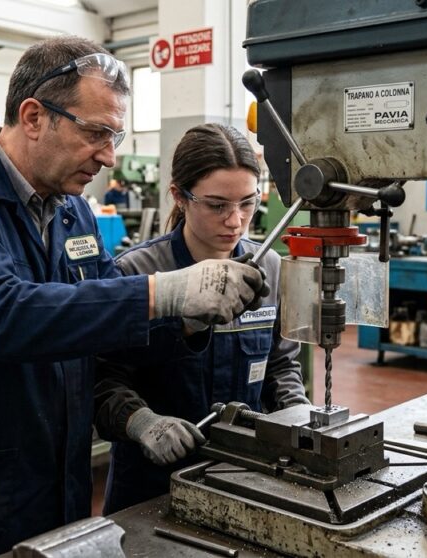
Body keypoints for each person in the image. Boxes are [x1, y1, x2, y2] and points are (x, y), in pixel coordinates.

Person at [0, 37, 268, 557]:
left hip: (56, 481)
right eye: (96, 133)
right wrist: (166, 291)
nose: (109, 156)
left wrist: (189, 321)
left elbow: (104, 335)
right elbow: (4, 315)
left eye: (115, 136)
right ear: (34, 116)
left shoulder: (72, 211)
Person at [94, 123, 310, 514]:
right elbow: (102, 380)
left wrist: (298, 414)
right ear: (180, 196)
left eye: (247, 203)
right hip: (152, 484)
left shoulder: (270, 267)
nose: (235, 221)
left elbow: (280, 364)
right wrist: (142, 422)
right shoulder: (135, 273)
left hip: (243, 472)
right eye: (217, 205)